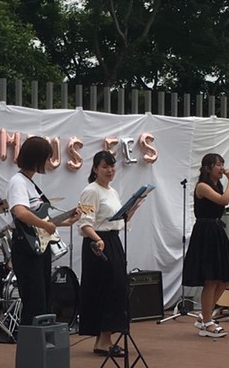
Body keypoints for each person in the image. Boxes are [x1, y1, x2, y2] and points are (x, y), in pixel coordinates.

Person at [7, 136, 79, 326]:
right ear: (37, 158)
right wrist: (46, 225)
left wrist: (65, 222)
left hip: (38, 248)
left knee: (43, 299)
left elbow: (40, 220)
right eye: (47, 158)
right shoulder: (18, 182)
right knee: (34, 301)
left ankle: (40, 340)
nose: (48, 162)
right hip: (26, 248)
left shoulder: (30, 184)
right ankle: (31, 342)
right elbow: (20, 212)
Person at [76, 150, 137, 355]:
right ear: (95, 169)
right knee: (106, 289)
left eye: (112, 166)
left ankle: (103, 339)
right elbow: (85, 223)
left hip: (112, 240)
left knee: (117, 288)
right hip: (98, 244)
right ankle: (103, 341)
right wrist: (98, 240)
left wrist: (133, 207)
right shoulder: (91, 191)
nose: (110, 170)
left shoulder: (112, 191)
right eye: (105, 167)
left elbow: (117, 221)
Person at [181, 152, 229, 338]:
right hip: (205, 232)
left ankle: (204, 315)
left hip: (216, 230)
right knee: (211, 279)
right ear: (207, 168)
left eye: (223, 164)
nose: (222, 168)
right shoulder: (202, 186)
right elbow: (224, 201)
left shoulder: (218, 185)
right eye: (218, 165)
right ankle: (207, 322)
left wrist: (227, 181)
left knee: (225, 277)